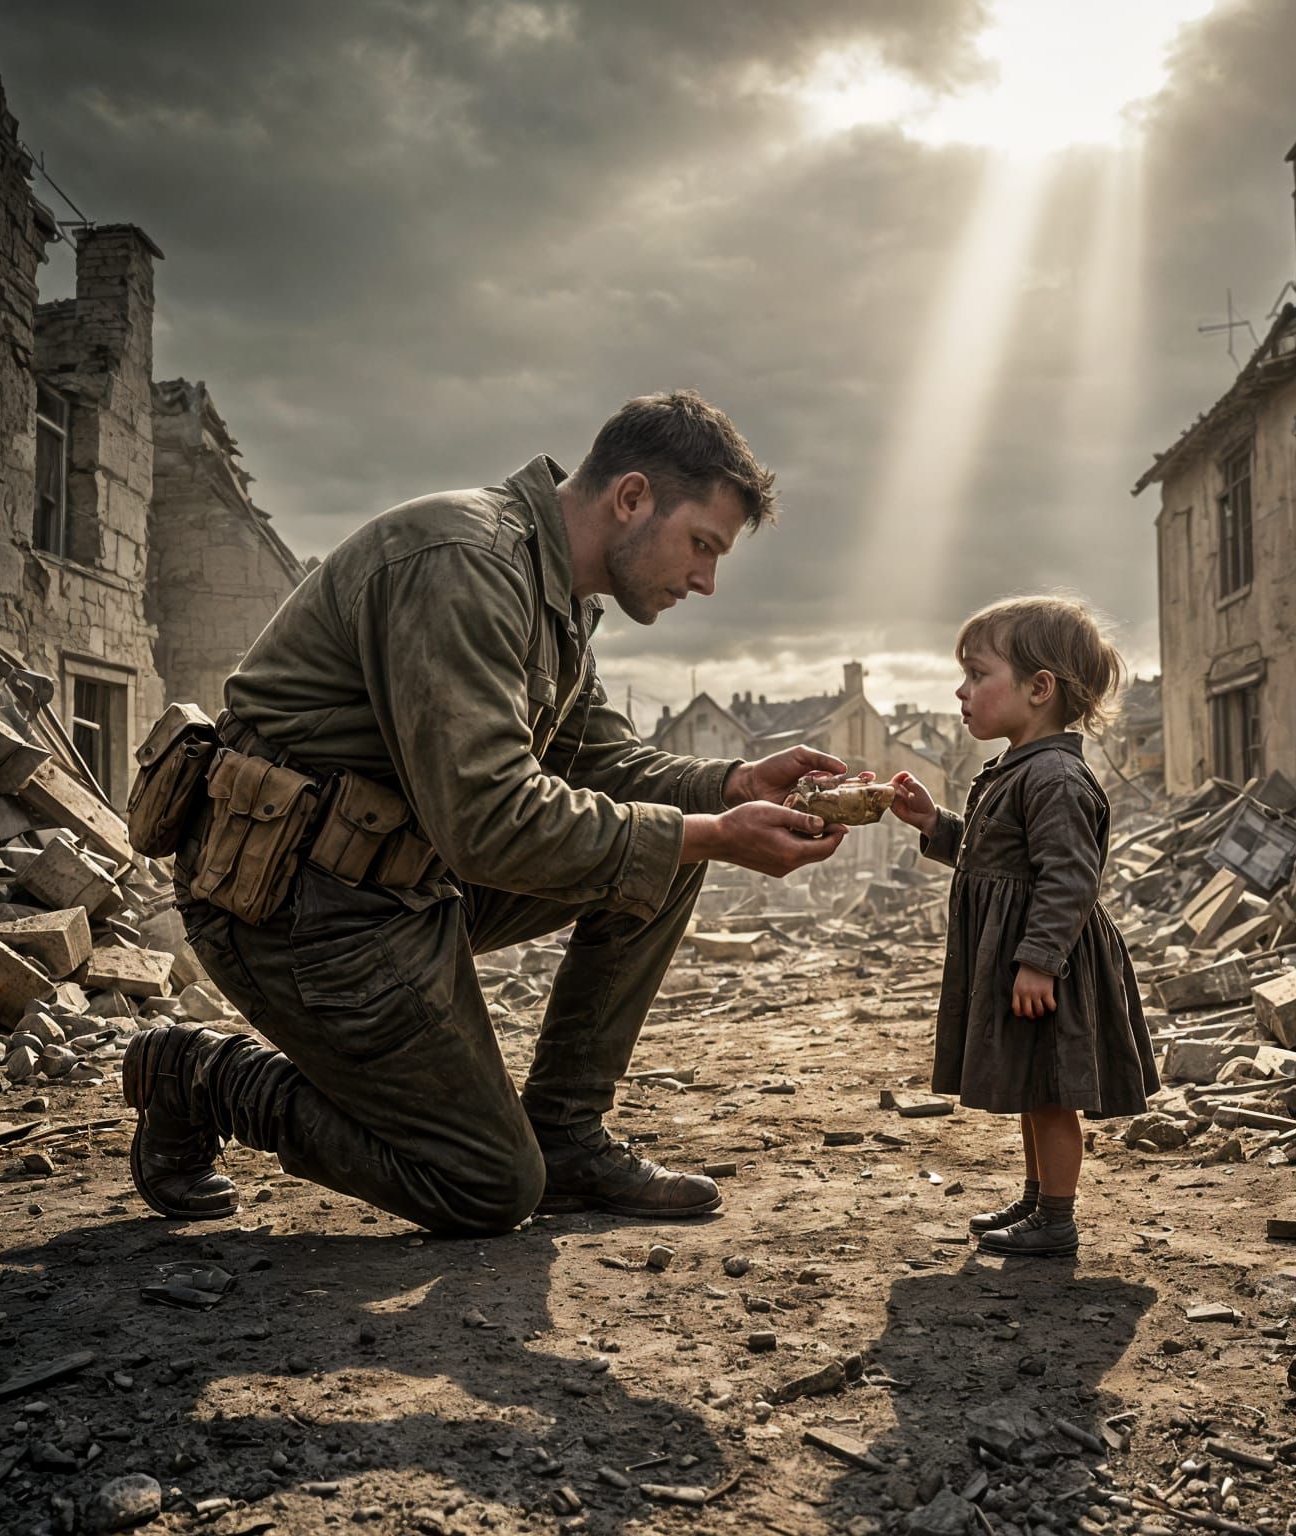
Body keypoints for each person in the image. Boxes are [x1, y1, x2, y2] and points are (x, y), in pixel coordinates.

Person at [123, 391, 851, 1237]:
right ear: (632, 497)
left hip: (401, 885)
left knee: (669, 850)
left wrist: (731, 786)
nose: (705, 580)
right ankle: (198, 1075)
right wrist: (708, 834)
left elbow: (608, 764)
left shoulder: (562, 598)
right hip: (294, 908)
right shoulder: (464, 563)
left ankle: (567, 1139)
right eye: (702, 545)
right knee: (486, 1185)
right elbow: (489, 819)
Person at [889, 596, 1158, 1258]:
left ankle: (1057, 1219)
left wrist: (1038, 960)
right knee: (1033, 1088)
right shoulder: (1020, 767)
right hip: (1027, 961)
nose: (962, 689)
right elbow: (998, 862)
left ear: (1040, 689)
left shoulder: (1056, 778)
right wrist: (934, 825)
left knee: (1052, 1093)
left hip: (1049, 966)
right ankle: (1038, 1200)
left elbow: (1070, 879)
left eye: (978, 674)